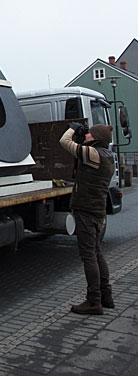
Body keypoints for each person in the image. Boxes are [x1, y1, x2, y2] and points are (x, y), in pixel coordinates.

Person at [60, 122, 115, 315]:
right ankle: (106, 295)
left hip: (85, 210)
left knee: (88, 256)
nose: (87, 136)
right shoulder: (108, 156)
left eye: (90, 135)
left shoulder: (93, 154)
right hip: (97, 210)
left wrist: (73, 128)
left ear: (97, 139)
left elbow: (64, 141)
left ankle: (93, 301)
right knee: (97, 253)